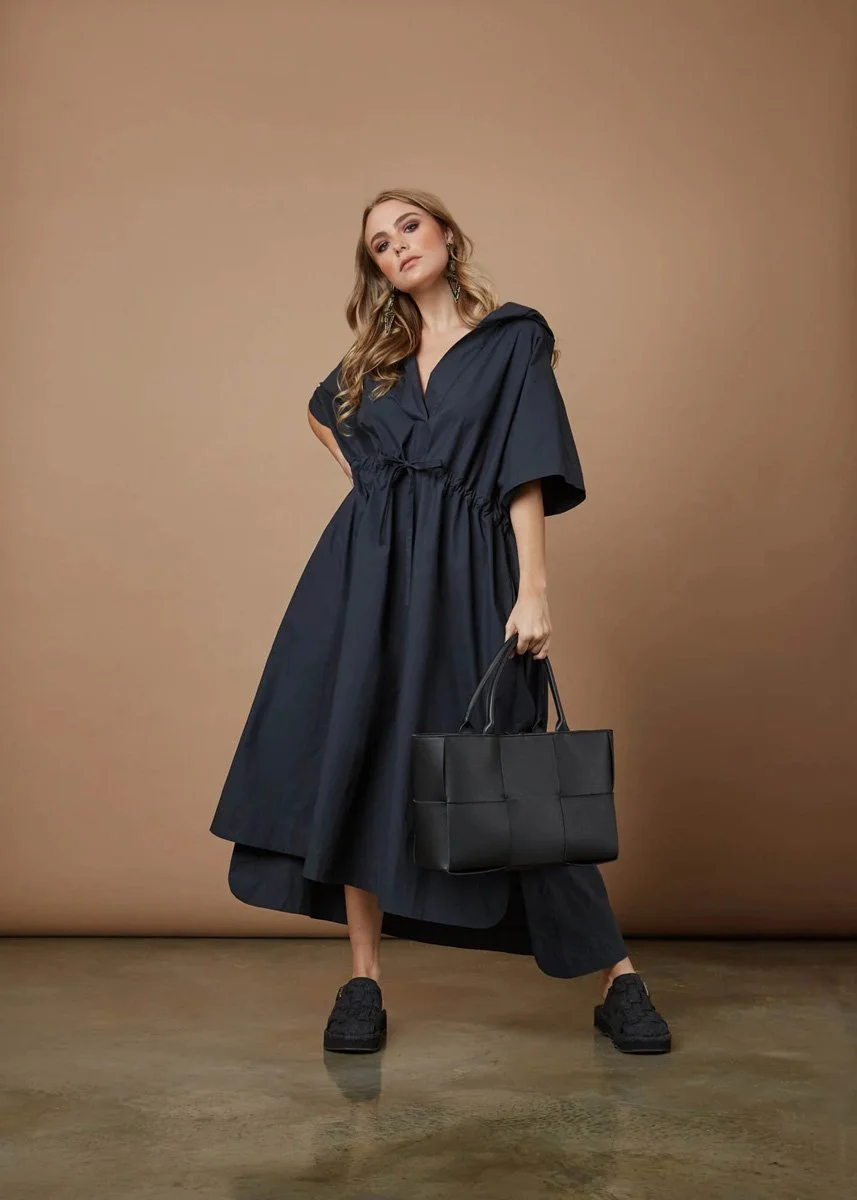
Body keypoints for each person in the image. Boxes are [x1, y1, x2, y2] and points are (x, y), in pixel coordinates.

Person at [209, 187, 672, 1057]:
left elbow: (525, 469)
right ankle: (362, 982)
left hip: (471, 571)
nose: (396, 248)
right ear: (377, 268)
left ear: (447, 234)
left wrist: (532, 587)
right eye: (380, 244)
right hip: (364, 577)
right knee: (361, 750)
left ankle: (617, 980)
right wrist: (378, 488)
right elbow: (319, 411)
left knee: (508, 767)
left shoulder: (512, 340)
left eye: (407, 227)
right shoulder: (376, 361)